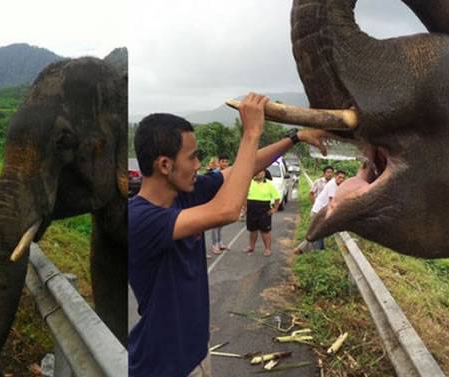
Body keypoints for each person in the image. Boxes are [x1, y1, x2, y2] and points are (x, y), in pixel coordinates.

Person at [128, 93, 329, 377]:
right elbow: (228, 210)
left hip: (196, 352)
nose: (199, 164)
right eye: (193, 157)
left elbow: (243, 170)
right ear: (164, 165)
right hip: (165, 367)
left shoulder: (184, 193)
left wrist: (295, 137)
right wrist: (251, 133)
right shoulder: (139, 219)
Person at [242, 170, 281, 257]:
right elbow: (244, 195)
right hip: (251, 210)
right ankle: (251, 247)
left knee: (265, 231)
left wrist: (275, 209)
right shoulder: (250, 182)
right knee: (252, 230)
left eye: (260, 172)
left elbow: (277, 198)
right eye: (257, 172)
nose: (257, 173)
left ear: (264, 173)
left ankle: (268, 249)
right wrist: (244, 208)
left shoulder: (269, 184)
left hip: (264, 211)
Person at [309, 170, 347, 250]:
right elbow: (332, 202)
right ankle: (317, 252)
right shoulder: (332, 185)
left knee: (319, 233)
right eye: (339, 177)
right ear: (335, 176)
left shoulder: (336, 185)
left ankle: (319, 250)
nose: (341, 179)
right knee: (318, 234)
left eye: (343, 178)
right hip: (318, 212)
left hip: (320, 211)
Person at [209, 153, 230, 255]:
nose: (225, 163)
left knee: (221, 223)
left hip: (225, 199)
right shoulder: (215, 173)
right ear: (219, 162)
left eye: (226, 161)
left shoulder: (229, 172)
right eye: (223, 161)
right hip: (215, 200)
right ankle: (214, 244)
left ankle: (220, 242)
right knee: (215, 224)